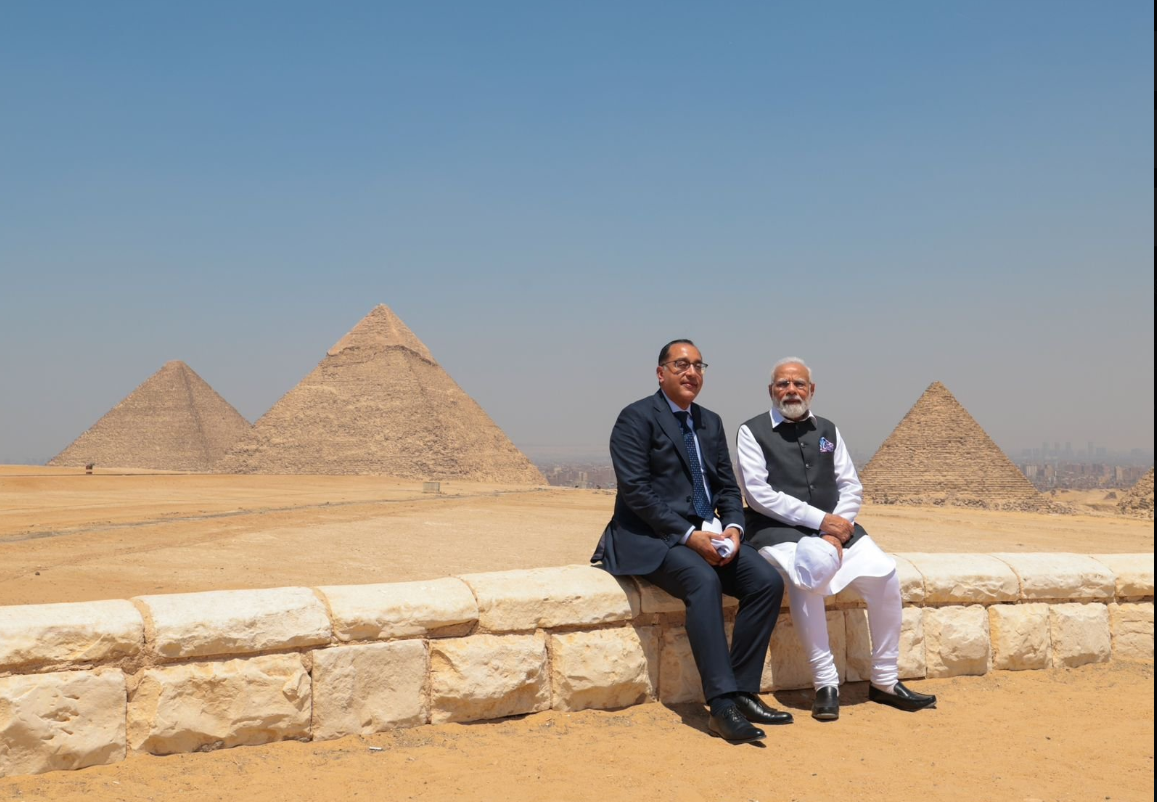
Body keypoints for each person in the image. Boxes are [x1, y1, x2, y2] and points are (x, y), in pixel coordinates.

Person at [592, 339, 790, 742]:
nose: (691, 372)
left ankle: (744, 692)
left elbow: (727, 488)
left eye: (699, 365)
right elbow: (636, 492)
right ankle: (721, 705)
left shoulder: (709, 422)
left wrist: (733, 529)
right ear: (660, 373)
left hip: (708, 533)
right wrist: (689, 536)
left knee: (766, 581)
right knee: (702, 581)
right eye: (681, 364)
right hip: (651, 536)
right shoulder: (636, 418)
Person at [735, 357, 937, 721]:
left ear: (811, 390)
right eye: (783, 384)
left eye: (799, 384)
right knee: (808, 574)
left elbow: (850, 486)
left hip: (836, 529)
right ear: (771, 391)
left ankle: (885, 679)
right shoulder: (751, 431)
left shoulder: (828, 429)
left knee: (886, 575)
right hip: (778, 530)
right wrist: (822, 521)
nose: (791, 390)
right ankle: (825, 683)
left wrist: (837, 526)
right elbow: (759, 495)